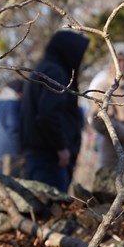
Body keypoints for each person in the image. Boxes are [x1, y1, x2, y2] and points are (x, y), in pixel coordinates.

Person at [18, 30, 90, 191]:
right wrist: (61, 147)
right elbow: (48, 114)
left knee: (38, 211)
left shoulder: (41, 69)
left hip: (38, 155)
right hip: (50, 159)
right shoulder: (55, 73)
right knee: (51, 212)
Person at [0, 78, 24, 176]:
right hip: (10, 153)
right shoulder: (12, 104)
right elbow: (13, 128)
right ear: (19, 92)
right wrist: (19, 150)